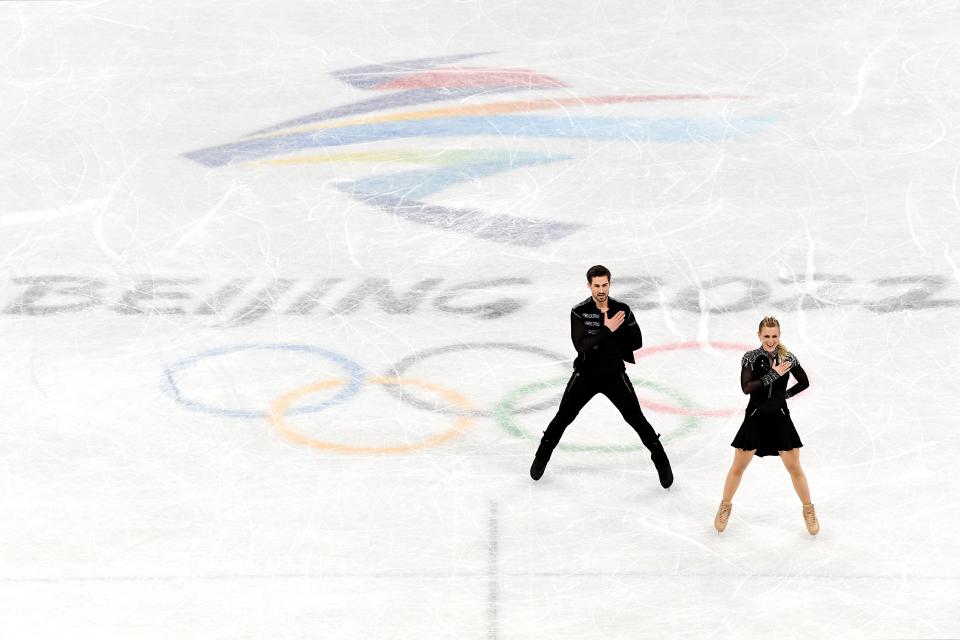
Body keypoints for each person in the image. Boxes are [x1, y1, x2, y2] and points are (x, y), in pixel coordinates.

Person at [530, 265, 673, 488]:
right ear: (589, 286)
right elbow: (582, 346)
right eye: (596, 285)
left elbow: (637, 342)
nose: (601, 290)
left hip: (614, 375)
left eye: (604, 285)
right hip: (585, 375)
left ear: (609, 284)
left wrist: (618, 329)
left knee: (636, 418)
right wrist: (607, 330)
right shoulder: (579, 311)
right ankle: (541, 457)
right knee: (563, 417)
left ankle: (662, 462)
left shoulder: (622, 309)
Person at [714, 316, 819, 535]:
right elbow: (747, 387)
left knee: (794, 468)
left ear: (779, 336)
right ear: (759, 335)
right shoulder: (750, 358)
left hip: (780, 417)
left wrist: (785, 395)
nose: (771, 340)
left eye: (774, 336)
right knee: (738, 467)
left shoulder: (788, 357)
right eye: (767, 336)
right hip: (755, 416)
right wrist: (774, 375)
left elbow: (805, 382)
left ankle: (808, 510)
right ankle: (725, 506)